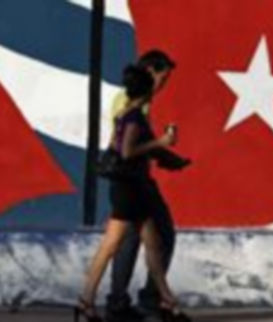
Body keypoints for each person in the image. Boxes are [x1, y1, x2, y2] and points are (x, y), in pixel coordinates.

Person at [75, 65, 190, 322]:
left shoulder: (124, 113)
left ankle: (167, 301)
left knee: (152, 245)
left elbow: (115, 146)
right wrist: (160, 142)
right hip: (130, 191)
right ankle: (87, 301)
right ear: (147, 91)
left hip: (131, 189)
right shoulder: (135, 117)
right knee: (113, 246)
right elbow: (126, 152)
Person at [106, 50, 186, 321]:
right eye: (164, 77)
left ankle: (121, 303)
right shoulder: (133, 103)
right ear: (151, 71)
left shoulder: (137, 101)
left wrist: (166, 157)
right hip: (133, 182)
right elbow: (126, 148)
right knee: (160, 236)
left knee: (131, 241)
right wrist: (162, 145)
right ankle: (146, 302)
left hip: (134, 180)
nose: (164, 84)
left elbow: (139, 142)